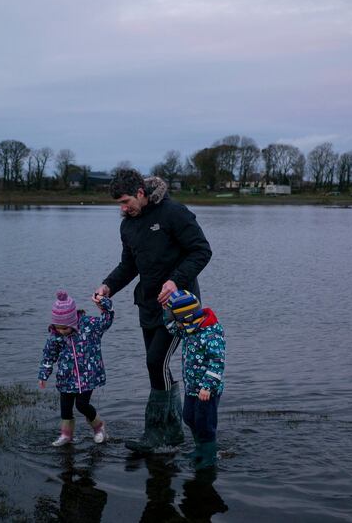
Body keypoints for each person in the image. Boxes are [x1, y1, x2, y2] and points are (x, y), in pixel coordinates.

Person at [94, 169, 212, 453]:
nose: (123, 209)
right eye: (118, 204)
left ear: (140, 193)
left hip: (180, 307)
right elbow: (129, 266)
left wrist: (174, 281)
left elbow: (201, 251)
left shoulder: (174, 213)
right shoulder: (128, 226)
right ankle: (170, 432)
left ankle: (156, 433)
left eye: (125, 202)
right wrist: (107, 286)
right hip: (147, 305)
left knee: (155, 361)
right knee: (156, 365)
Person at [38, 289, 114, 446]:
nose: (61, 331)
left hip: (88, 375)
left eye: (64, 328)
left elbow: (107, 320)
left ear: (72, 321)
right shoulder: (56, 335)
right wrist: (43, 375)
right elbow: (48, 355)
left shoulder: (90, 326)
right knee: (65, 409)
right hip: (66, 377)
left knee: (81, 405)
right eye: (58, 327)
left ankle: (99, 427)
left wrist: (105, 304)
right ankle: (66, 435)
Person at [165, 290, 225, 469]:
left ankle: (210, 455)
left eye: (178, 319)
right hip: (192, 387)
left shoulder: (212, 332)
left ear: (187, 317)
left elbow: (217, 362)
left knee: (205, 423)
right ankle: (199, 448)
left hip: (207, 390)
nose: (178, 324)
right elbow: (171, 326)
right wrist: (166, 309)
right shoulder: (189, 329)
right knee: (189, 417)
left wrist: (208, 386)